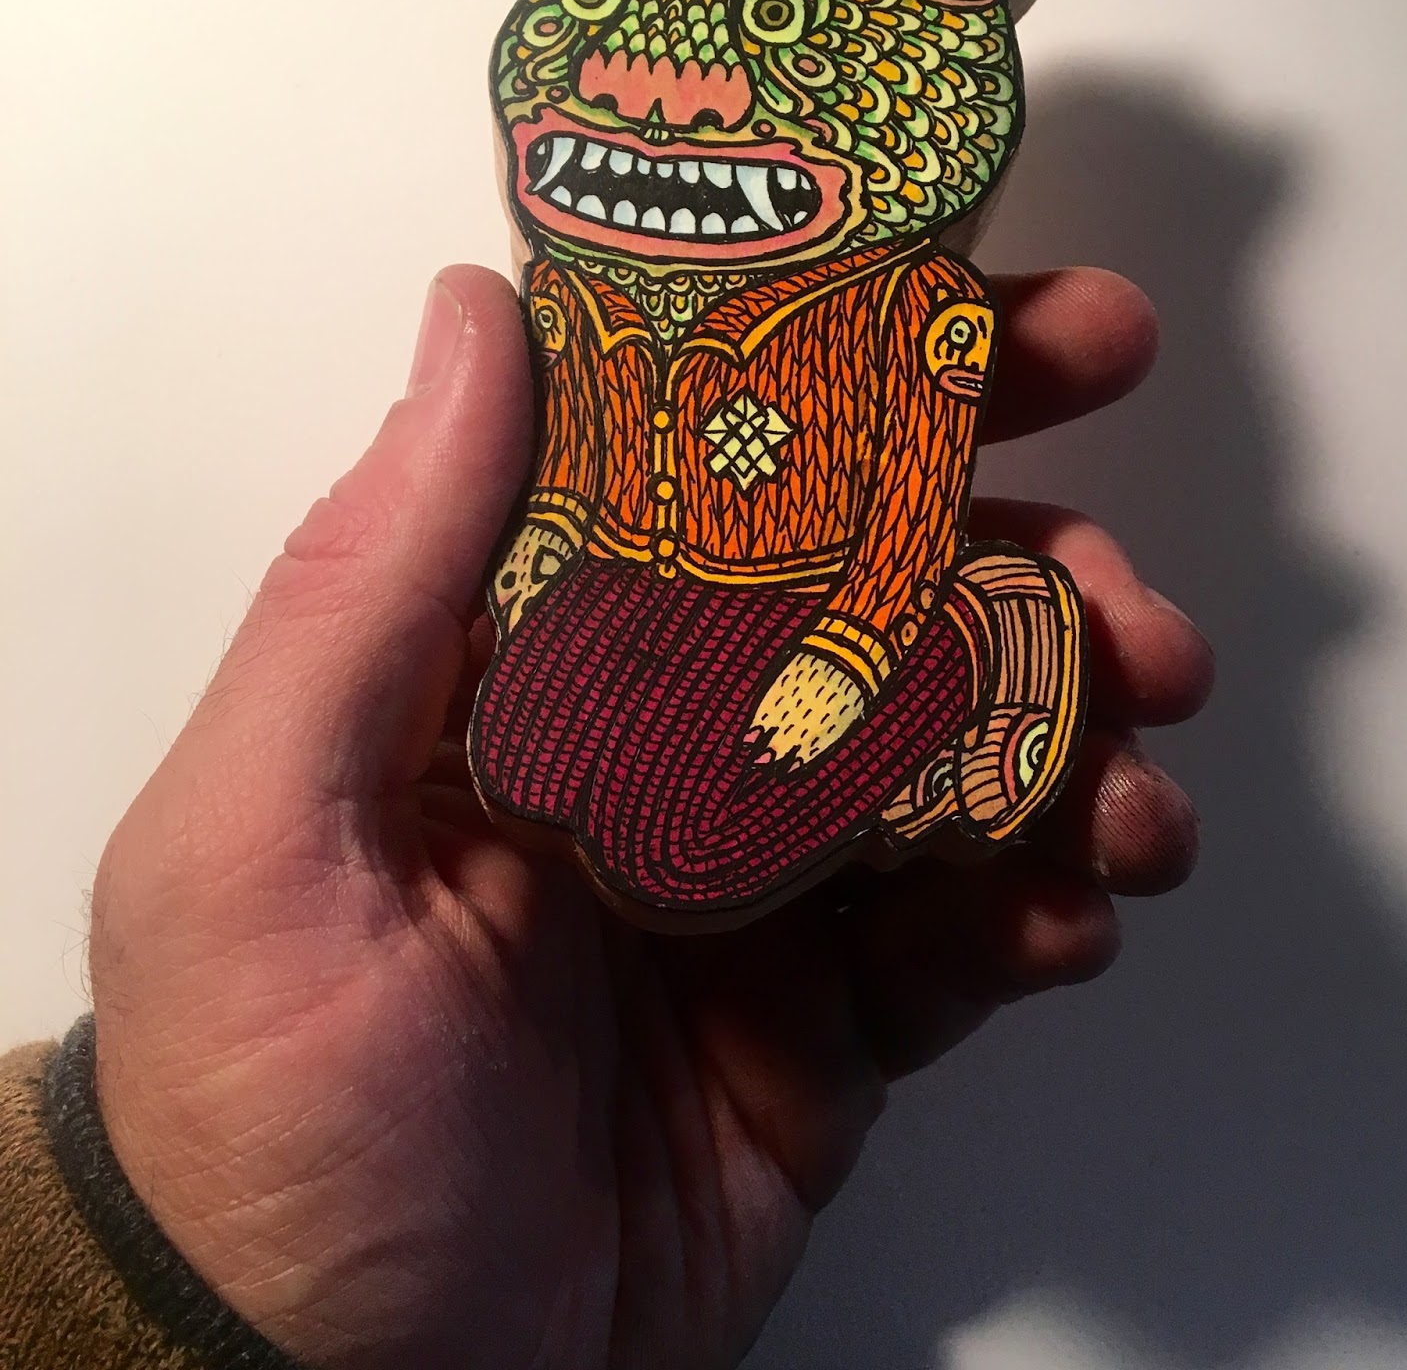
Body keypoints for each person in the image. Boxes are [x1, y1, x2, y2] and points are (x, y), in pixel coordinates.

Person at [0, 263, 1212, 1368]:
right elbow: (584, 455)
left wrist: (854, 645)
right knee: (531, 756)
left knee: (685, 844)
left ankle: (973, 641)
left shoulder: (912, 313)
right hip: (639, 599)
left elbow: (906, 504)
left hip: (825, 614)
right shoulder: (592, 285)